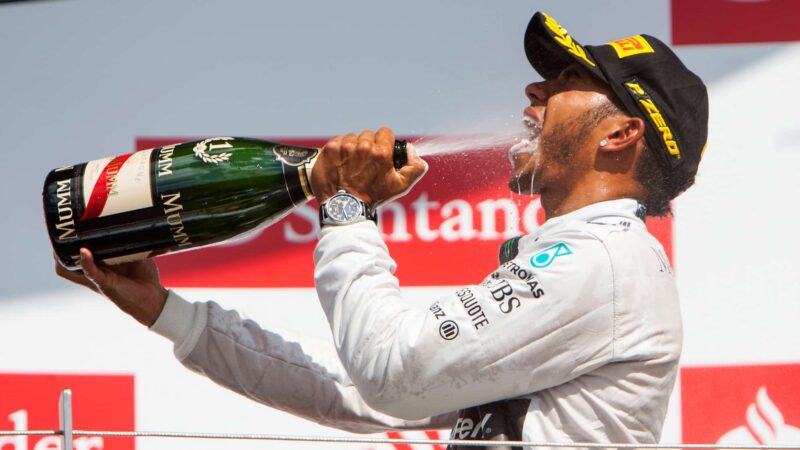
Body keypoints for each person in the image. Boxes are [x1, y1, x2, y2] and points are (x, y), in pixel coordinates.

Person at [56, 11, 708, 449]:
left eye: (567, 80)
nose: (534, 92)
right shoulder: (597, 260)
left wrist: (347, 208)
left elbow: (391, 375)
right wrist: (166, 313)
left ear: (621, 134)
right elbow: (362, 392)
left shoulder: (599, 262)